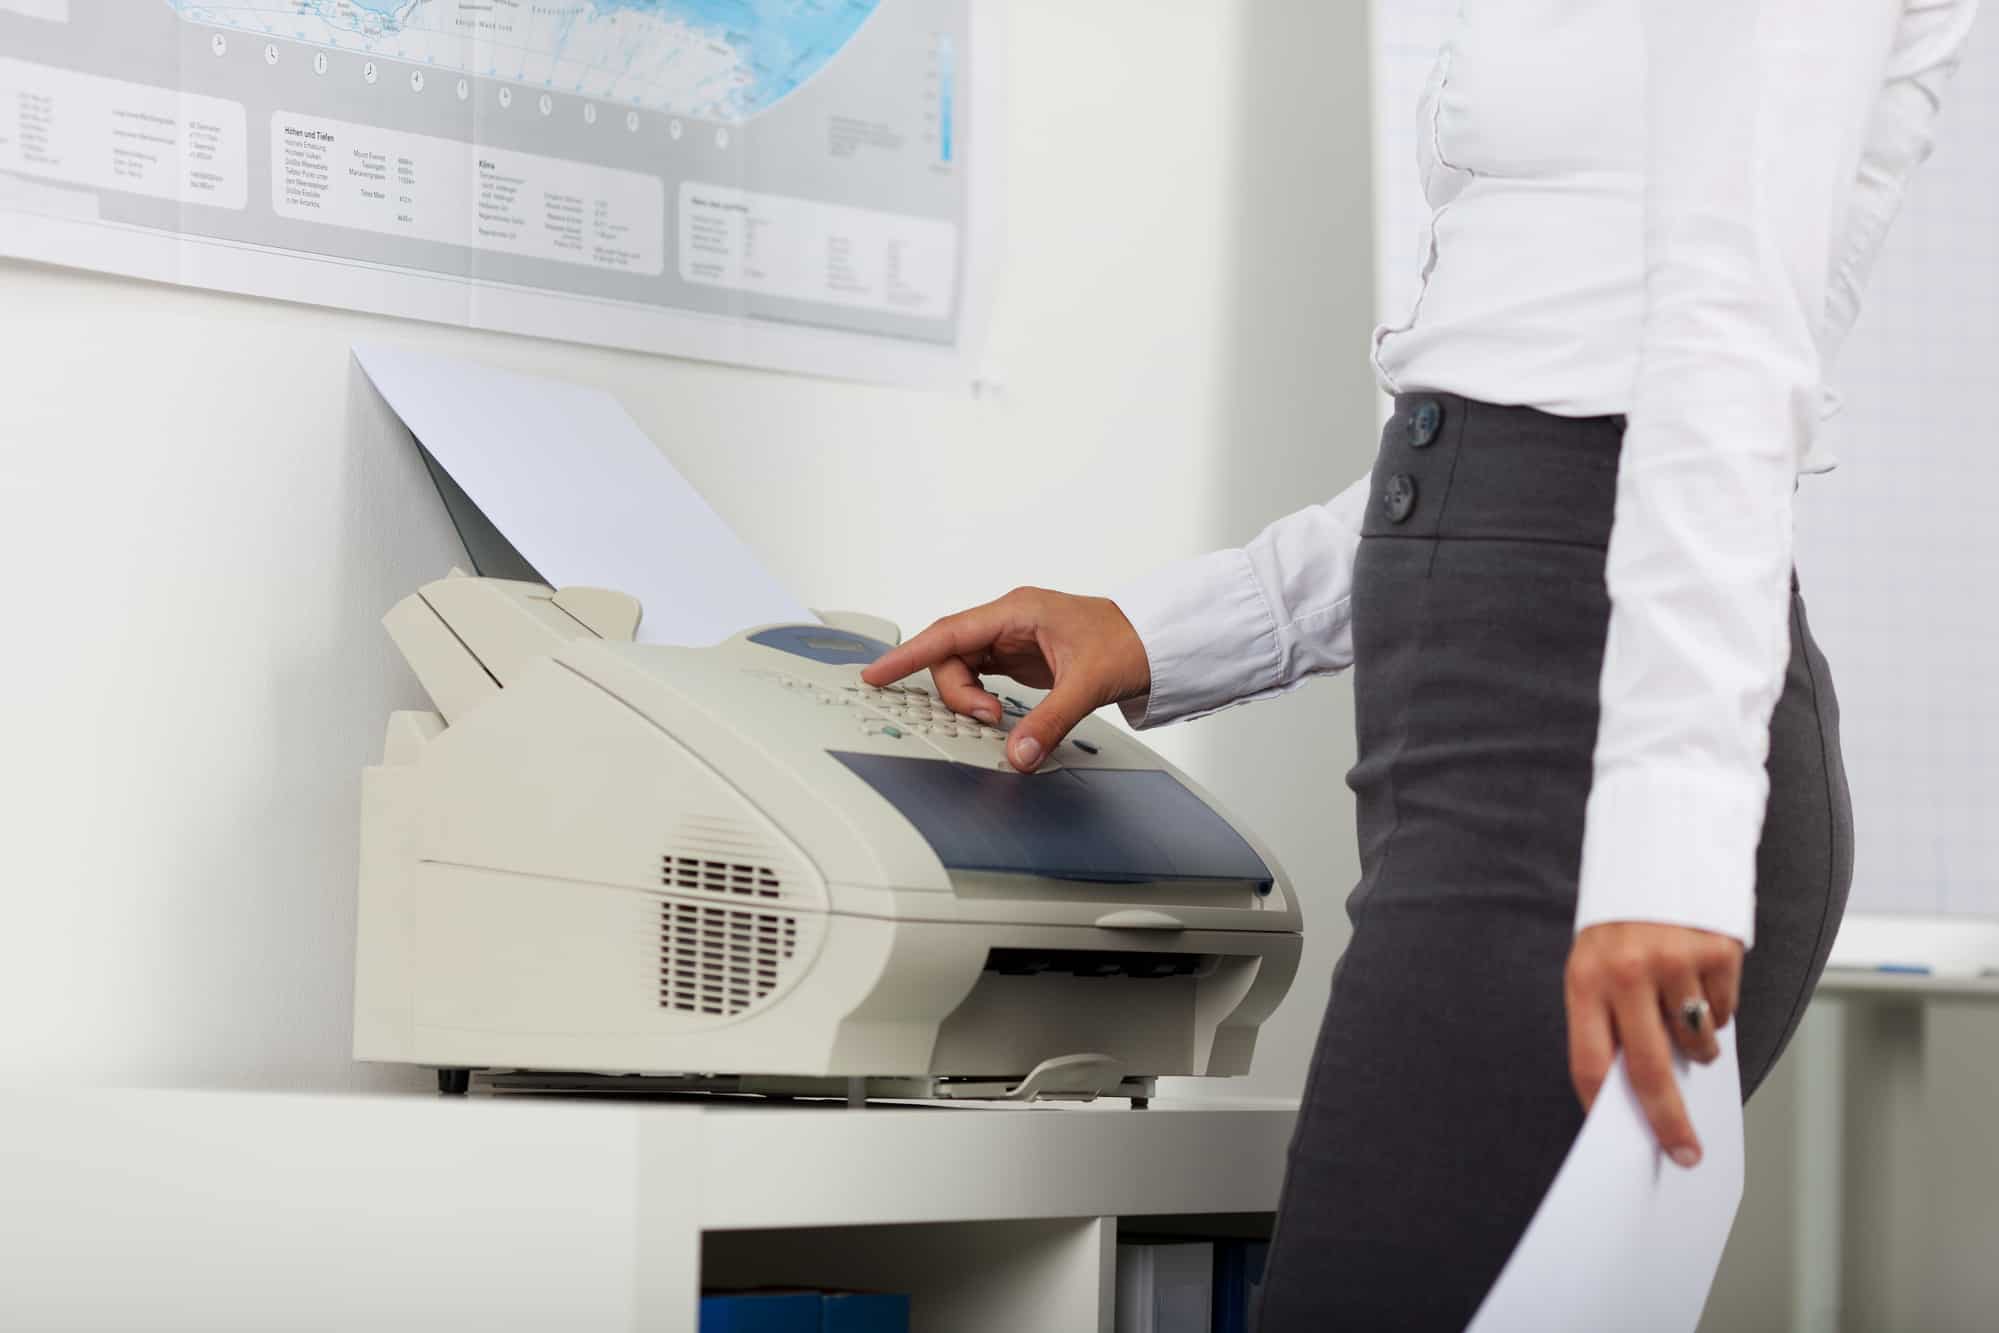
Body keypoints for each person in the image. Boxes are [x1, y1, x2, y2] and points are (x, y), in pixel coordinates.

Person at [864, 0, 1981, 1326]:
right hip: (1517, 697)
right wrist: (1170, 627)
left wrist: (1665, 850)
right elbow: (1507, 432)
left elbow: (1719, 356)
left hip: (1579, 734)